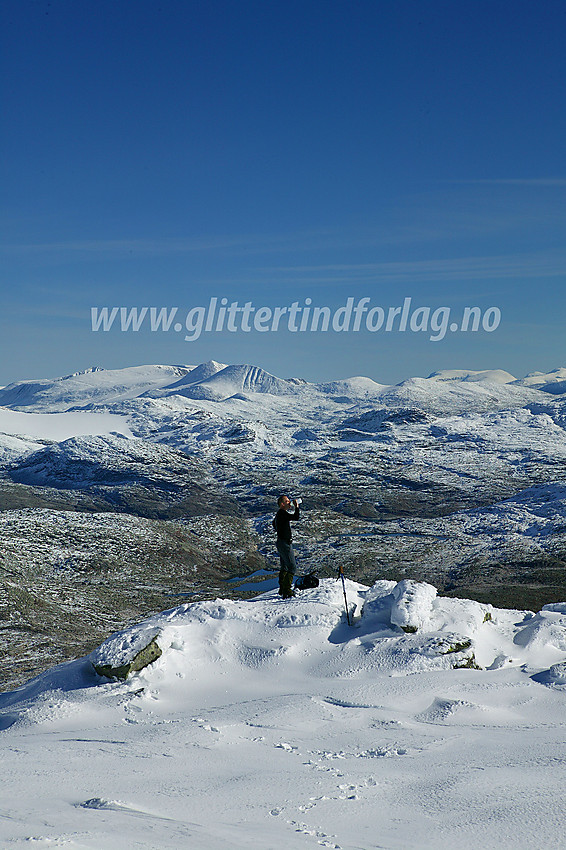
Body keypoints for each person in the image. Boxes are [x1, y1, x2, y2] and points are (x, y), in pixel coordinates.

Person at [274, 494, 300, 598]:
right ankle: (287, 589)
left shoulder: (279, 514)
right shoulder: (282, 513)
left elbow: (273, 524)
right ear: (282, 504)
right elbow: (296, 517)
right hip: (285, 543)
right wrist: (296, 507)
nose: (289, 503)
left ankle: (282, 587)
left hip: (281, 542)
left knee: (284, 566)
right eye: (287, 501)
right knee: (292, 567)